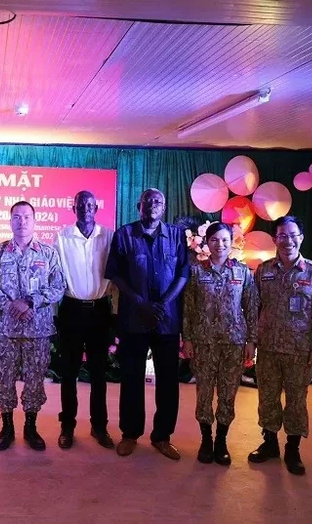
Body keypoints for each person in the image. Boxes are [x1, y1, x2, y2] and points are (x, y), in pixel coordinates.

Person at [248, 216, 312, 475]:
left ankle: (293, 448)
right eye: (282, 235)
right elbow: (253, 308)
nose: (288, 240)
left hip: (300, 351)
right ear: (275, 239)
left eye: (293, 234)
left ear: (301, 237)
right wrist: (251, 341)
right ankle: (270, 443)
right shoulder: (263, 272)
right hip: (268, 349)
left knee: (297, 401)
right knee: (267, 398)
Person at [105, 188, 189, 460]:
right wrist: (140, 302)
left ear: (163, 207)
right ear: (138, 205)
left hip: (167, 320)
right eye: (148, 201)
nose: (152, 205)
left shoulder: (176, 235)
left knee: (168, 381)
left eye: (158, 201)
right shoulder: (124, 234)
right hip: (133, 318)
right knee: (131, 378)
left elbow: (183, 274)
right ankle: (130, 434)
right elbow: (115, 274)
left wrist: (163, 304)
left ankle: (162, 437)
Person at [0, 201, 65, 451]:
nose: (22, 222)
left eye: (27, 217)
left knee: (34, 379)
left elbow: (58, 286)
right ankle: (6, 426)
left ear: (35, 220)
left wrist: (31, 301)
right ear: (10, 221)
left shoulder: (48, 253)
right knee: (4, 379)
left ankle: (31, 426)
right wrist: (11, 305)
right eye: (17, 217)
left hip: (37, 329)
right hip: (6, 329)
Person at [182, 222, 257, 465]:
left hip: (233, 343)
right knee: (204, 393)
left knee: (227, 393)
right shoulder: (196, 271)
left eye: (225, 240)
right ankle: (206, 439)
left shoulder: (242, 272)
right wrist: (188, 339)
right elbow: (188, 308)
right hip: (204, 342)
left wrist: (251, 341)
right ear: (208, 242)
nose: (220, 245)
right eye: (214, 240)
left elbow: (252, 307)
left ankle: (221, 440)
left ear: (231, 242)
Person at [53, 190, 115, 450]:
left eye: (90, 204)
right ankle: (67, 426)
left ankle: (99, 427)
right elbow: (55, 276)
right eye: (81, 204)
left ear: (96, 207)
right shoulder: (61, 237)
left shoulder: (109, 236)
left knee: (99, 374)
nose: (86, 208)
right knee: (69, 373)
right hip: (72, 309)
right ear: (73, 207)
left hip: (100, 310)